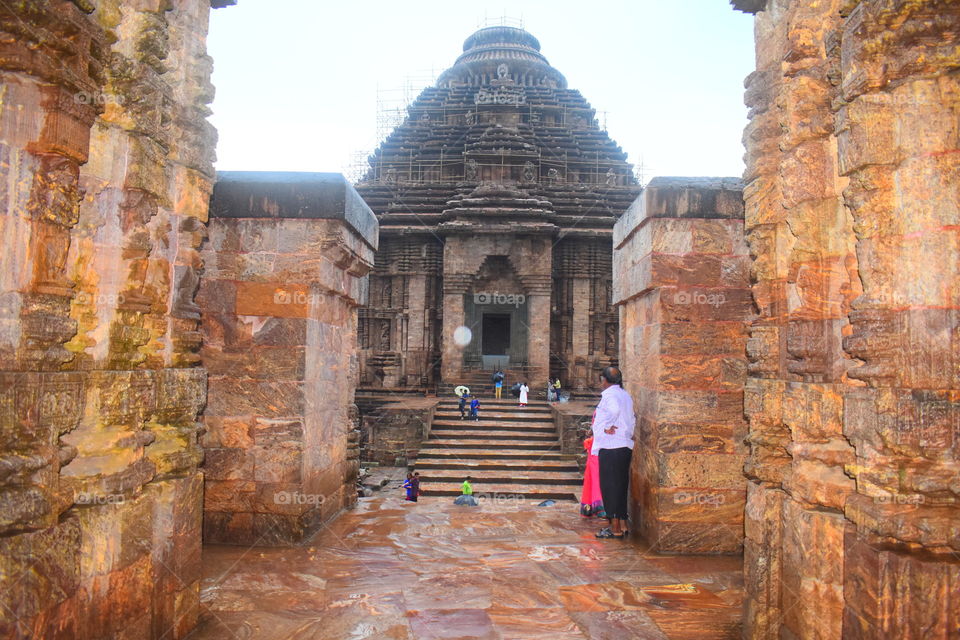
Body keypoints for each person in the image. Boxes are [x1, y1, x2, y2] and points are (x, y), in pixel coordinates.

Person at [592, 366, 635, 539]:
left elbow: (614, 410)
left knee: (610, 486)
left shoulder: (610, 395)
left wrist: (607, 426)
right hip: (624, 445)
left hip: (611, 447)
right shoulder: (625, 395)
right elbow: (632, 418)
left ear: (605, 380)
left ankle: (615, 528)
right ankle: (623, 524)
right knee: (621, 484)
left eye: (601, 379)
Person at [580, 433, 605, 518]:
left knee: (593, 481)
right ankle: (599, 508)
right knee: (595, 481)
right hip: (595, 456)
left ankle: (592, 508)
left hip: (595, 455)